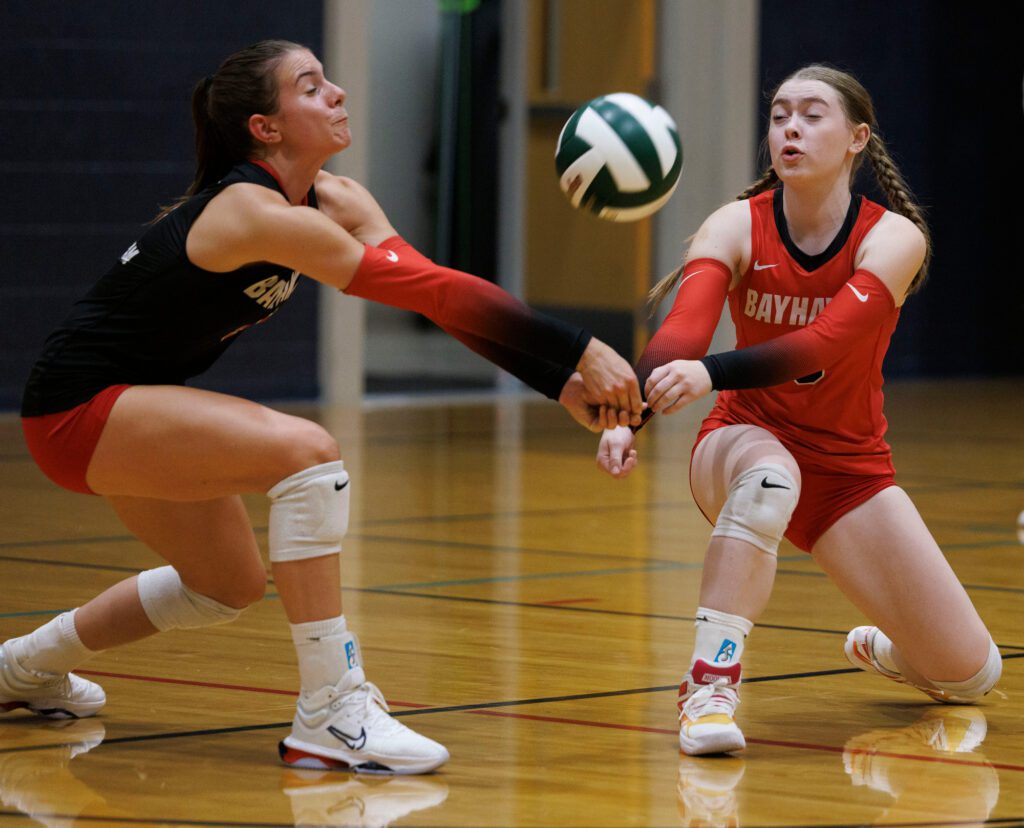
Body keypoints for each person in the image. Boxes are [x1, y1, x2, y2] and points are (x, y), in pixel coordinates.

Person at [0, 40, 644, 775]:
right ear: (265, 127)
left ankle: (21, 667)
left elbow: (434, 293)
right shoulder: (249, 210)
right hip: (74, 408)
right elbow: (433, 293)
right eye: (311, 86)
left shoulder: (336, 199)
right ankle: (333, 712)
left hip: (133, 407)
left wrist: (558, 381)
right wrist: (583, 347)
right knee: (310, 454)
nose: (337, 92)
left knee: (226, 585)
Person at [596, 64, 1002, 756]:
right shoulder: (735, 224)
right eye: (780, 113)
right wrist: (627, 412)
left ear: (856, 137)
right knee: (768, 481)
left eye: (812, 114)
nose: (790, 126)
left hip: (850, 469)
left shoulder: (895, 239)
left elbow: (820, 347)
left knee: (970, 675)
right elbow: (684, 333)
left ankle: (895, 643)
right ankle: (709, 684)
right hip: (744, 440)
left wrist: (708, 369)